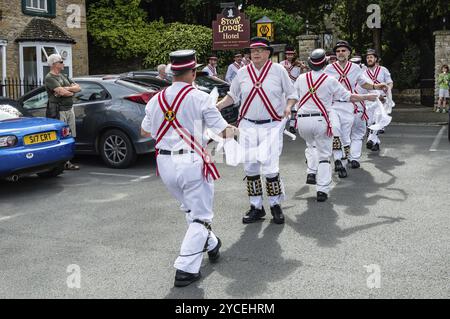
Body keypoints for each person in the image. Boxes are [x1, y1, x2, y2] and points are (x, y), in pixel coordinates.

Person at [140, 49, 238, 288]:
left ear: (172, 72)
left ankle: (212, 244)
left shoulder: (156, 99)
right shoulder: (201, 97)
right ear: (193, 73)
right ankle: (185, 269)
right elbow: (223, 131)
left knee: (190, 209)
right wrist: (237, 131)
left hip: (164, 164)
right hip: (192, 161)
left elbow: (145, 132)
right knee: (202, 217)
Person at [217, 37, 298, 225]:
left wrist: (288, 107)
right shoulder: (243, 73)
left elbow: (292, 94)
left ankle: (275, 205)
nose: (255, 53)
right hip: (247, 125)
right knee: (251, 166)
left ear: (268, 53)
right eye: (253, 50)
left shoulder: (279, 71)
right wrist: (219, 106)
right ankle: (256, 207)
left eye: (260, 50)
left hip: (272, 125)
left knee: (270, 168)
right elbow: (232, 95)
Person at [293, 49, 377, 201]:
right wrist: (367, 97)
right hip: (321, 120)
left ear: (310, 64)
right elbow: (349, 96)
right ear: (325, 64)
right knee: (324, 155)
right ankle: (322, 190)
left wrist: (291, 117)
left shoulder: (301, 79)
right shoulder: (330, 80)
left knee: (311, 146)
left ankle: (311, 171)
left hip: (303, 121)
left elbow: (293, 98)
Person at [324, 41, 388, 178]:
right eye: (338, 51)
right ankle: (337, 161)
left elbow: (363, 83)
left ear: (348, 52)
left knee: (346, 136)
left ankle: (344, 159)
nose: (340, 53)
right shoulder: (329, 69)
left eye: (343, 50)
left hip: (348, 105)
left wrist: (377, 86)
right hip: (334, 104)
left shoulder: (355, 68)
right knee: (336, 132)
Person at [44, 53, 81, 170]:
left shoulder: (64, 76)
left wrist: (67, 89)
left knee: (71, 135)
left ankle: (67, 162)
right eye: (61, 62)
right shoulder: (50, 77)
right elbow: (62, 93)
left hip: (70, 108)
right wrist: (69, 90)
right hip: (59, 110)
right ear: (54, 64)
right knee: (61, 136)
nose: (63, 64)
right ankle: (60, 163)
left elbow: (78, 88)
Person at [364, 49, 394, 152]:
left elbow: (390, 83)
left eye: (371, 57)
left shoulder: (383, 69)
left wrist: (387, 91)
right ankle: (376, 142)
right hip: (369, 100)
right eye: (367, 58)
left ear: (375, 59)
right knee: (369, 122)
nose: (369, 59)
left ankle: (370, 140)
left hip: (381, 100)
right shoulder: (363, 72)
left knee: (377, 120)